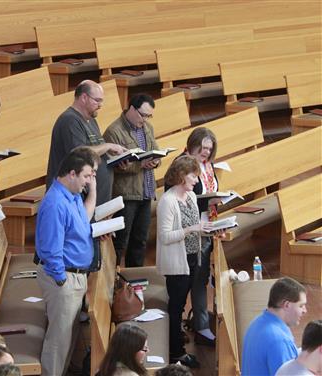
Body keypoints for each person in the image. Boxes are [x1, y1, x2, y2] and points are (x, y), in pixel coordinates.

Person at [36, 147, 100, 376]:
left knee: (68, 336)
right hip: (63, 279)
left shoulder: (71, 196)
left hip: (76, 276)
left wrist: (92, 189)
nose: (87, 182)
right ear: (71, 174)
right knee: (58, 341)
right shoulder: (55, 203)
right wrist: (62, 281)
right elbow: (51, 249)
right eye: (85, 176)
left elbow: (83, 220)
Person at [157, 155, 211, 368]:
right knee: (176, 306)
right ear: (180, 176)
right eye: (193, 176)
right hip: (176, 262)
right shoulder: (167, 201)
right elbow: (164, 236)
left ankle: (176, 343)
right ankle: (175, 353)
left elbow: (197, 226)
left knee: (180, 305)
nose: (196, 181)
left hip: (191, 258)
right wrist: (191, 229)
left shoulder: (191, 198)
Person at [170, 127, 220, 346]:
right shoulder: (181, 165)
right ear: (193, 144)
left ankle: (201, 326)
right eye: (203, 147)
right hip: (186, 233)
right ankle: (176, 329)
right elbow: (177, 200)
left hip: (204, 228)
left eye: (210, 149)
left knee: (199, 280)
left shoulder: (207, 166)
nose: (207, 152)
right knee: (183, 284)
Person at [46, 80, 125, 206]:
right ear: (84, 97)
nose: (100, 105)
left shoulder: (91, 120)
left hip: (97, 200)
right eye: (97, 100)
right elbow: (80, 153)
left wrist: (117, 160)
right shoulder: (70, 120)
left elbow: (96, 153)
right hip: (75, 198)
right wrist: (108, 145)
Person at [103, 93, 159, 267]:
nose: (145, 119)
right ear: (132, 109)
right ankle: (113, 282)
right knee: (120, 242)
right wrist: (140, 165)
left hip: (146, 192)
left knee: (140, 241)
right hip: (126, 195)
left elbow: (155, 150)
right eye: (143, 115)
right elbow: (109, 166)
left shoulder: (147, 128)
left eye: (148, 115)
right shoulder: (114, 131)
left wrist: (156, 160)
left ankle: (134, 283)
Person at [242, 277, 308, 375]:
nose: (305, 311)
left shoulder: (257, 322)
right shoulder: (280, 341)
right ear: (286, 305)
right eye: (301, 306)